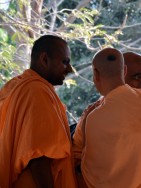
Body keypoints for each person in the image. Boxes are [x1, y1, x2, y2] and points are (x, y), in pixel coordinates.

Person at [80, 48, 141, 187]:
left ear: (96, 74)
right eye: (138, 76)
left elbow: (91, 173)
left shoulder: (93, 117)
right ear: (125, 71)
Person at [0, 35, 77, 187]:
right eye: (65, 62)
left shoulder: (15, 85)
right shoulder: (36, 91)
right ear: (44, 59)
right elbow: (38, 157)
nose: (70, 69)